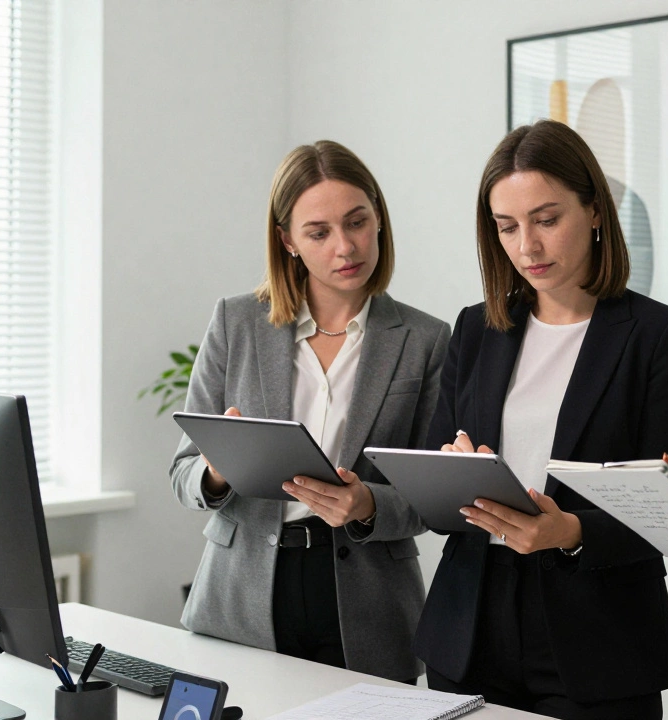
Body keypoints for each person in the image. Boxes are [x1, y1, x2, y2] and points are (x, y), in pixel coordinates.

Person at [414, 120, 668, 719]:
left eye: (547, 220)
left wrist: (570, 531)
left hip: (598, 637)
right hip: (469, 624)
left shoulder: (658, 336)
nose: (528, 247)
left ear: (595, 211)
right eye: (507, 227)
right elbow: (430, 479)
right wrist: (450, 477)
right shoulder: (475, 328)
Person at [169, 140, 449, 683]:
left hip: (368, 598)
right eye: (319, 232)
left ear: (378, 220)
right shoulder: (236, 323)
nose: (345, 246)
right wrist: (218, 469)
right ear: (287, 241)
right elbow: (182, 474)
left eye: (357, 222)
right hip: (244, 588)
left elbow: (434, 502)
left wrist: (368, 504)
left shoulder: (426, 339)